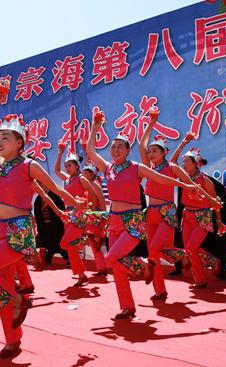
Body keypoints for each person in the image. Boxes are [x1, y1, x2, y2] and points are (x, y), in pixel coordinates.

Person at [0, 91, 83, 358]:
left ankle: (21, 299)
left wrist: (75, 203)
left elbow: (54, 188)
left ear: (20, 143)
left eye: (5, 137)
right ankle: (13, 339)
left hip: (18, 231)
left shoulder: (29, 165)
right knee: (0, 286)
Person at [86, 110, 199, 319]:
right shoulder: (108, 168)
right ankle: (127, 306)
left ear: (128, 151)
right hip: (115, 222)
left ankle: (144, 264)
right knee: (117, 266)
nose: (116, 149)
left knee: (111, 257)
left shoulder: (137, 168)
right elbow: (91, 151)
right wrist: (95, 127)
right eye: (113, 146)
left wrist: (186, 185)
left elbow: (161, 178)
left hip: (134, 221)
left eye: (121, 146)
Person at [139, 110, 201, 300]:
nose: (150, 154)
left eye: (154, 151)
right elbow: (141, 143)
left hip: (166, 212)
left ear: (164, 153)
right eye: (150, 152)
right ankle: (160, 289)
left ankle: (182, 255)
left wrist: (210, 198)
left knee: (155, 247)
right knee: (153, 252)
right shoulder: (148, 168)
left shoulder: (171, 167)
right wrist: (151, 122)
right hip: (150, 212)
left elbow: (190, 184)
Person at [169, 135, 226, 289]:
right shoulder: (184, 178)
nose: (184, 164)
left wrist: (219, 221)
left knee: (190, 248)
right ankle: (200, 278)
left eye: (187, 161)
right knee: (189, 250)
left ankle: (211, 261)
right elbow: (172, 162)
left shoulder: (204, 180)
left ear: (196, 164)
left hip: (202, 217)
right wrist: (183, 143)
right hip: (187, 216)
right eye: (184, 161)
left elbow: (216, 203)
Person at [55, 145, 98, 286]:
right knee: (70, 246)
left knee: (64, 243)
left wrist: (89, 210)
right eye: (66, 166)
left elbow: (92, 193)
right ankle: (81, 274)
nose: (67, 168)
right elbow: (56, 171)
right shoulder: (67, 179)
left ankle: (87, 239)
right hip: (68, 214)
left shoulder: (81, 179)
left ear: (76, 166)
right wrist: (60, 153)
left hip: (79, 214)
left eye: (70, 166)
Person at [81, 160, 109, 276]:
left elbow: (102, 198)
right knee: (93, 241)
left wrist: (104, 215)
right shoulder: (88, 184)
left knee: (95, 241)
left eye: (86, 173)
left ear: (92, 174)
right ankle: (102, 266)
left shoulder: (95, 183)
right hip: (91, 215)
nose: (84, 175)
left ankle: (102, 267)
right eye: (84, 173)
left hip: (96, 214)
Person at [33, 183, 68, 264]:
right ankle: (45, 258)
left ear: (46, 185)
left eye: (41, 186)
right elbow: (37, 214)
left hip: (55, 225)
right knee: (42, 242)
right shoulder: (38, 200)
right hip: (44, 226)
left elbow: (61, 208)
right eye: (38, 187)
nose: (40, 188)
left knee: (60, 243)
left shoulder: (54, 196)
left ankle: (68, 258)